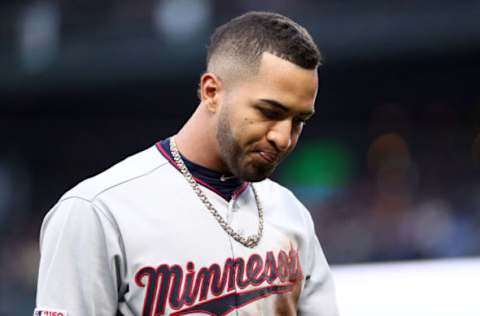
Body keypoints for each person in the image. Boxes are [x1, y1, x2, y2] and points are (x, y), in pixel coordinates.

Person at [35, 11, 339, 316]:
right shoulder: (98, 211)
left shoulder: (291, 213)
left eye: (299, 121)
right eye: (269, 111)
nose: (284, 138)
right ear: (211, 92)